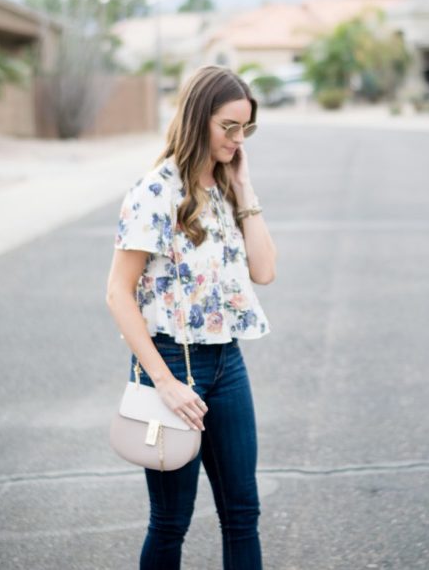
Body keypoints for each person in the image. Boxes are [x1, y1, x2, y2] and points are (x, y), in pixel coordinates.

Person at [106, 64, 277, 570]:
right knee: (171, 523)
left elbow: (264, 271)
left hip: (228, 366)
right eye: (229, 126)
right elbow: (118, 292)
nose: (238, 138)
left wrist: (245, 190)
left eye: (246, 128)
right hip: (171, 368)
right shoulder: (155, 192)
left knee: (243, 514)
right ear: (198, 117)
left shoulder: (226, 190)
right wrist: (167, 384)